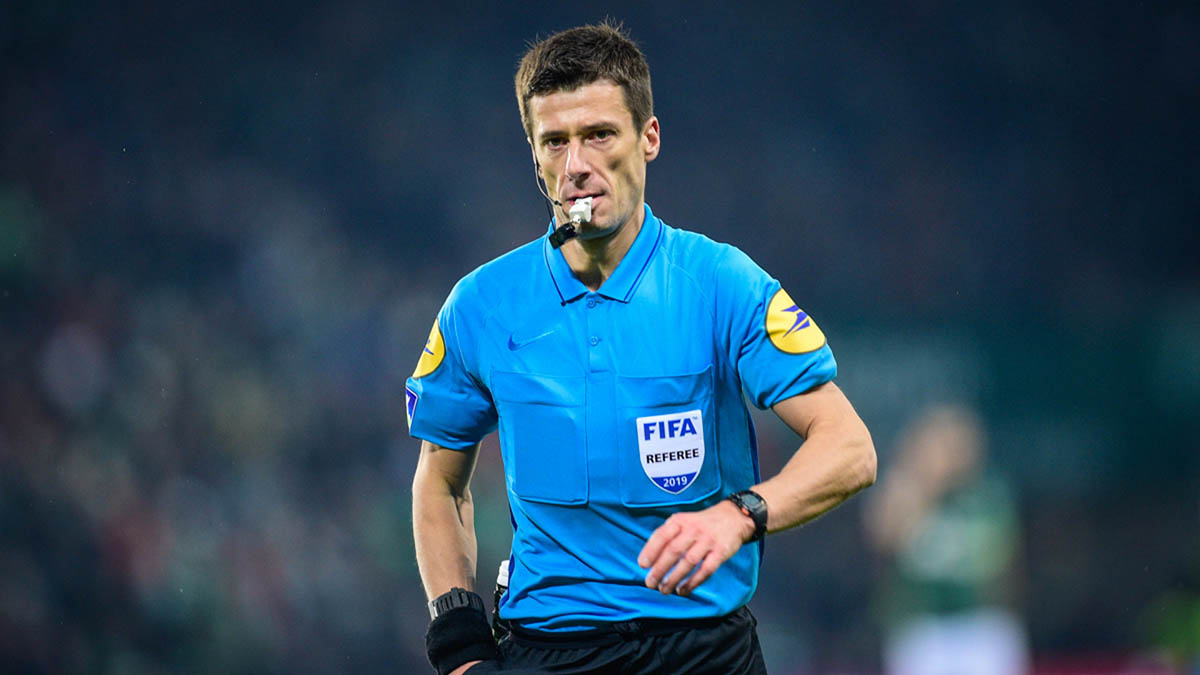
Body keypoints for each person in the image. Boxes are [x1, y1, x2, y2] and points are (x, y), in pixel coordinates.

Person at [407, 22, 876, 675]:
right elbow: (440, 479)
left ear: (648, 138)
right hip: (548, 650)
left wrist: (739, 515)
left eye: (599, 134)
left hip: (704, 650)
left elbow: (850, 448)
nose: (577, 164)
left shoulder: (720, 283)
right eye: (555, 141)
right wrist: (458, 645)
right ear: (534, 155)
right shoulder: (481, 304)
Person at [863, 405, 1029, 675]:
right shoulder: (905, 490)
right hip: (920, 627)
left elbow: (997, 559)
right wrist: (923, 484)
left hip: (981, 624)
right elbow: (881, 537)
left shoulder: (986, 493)